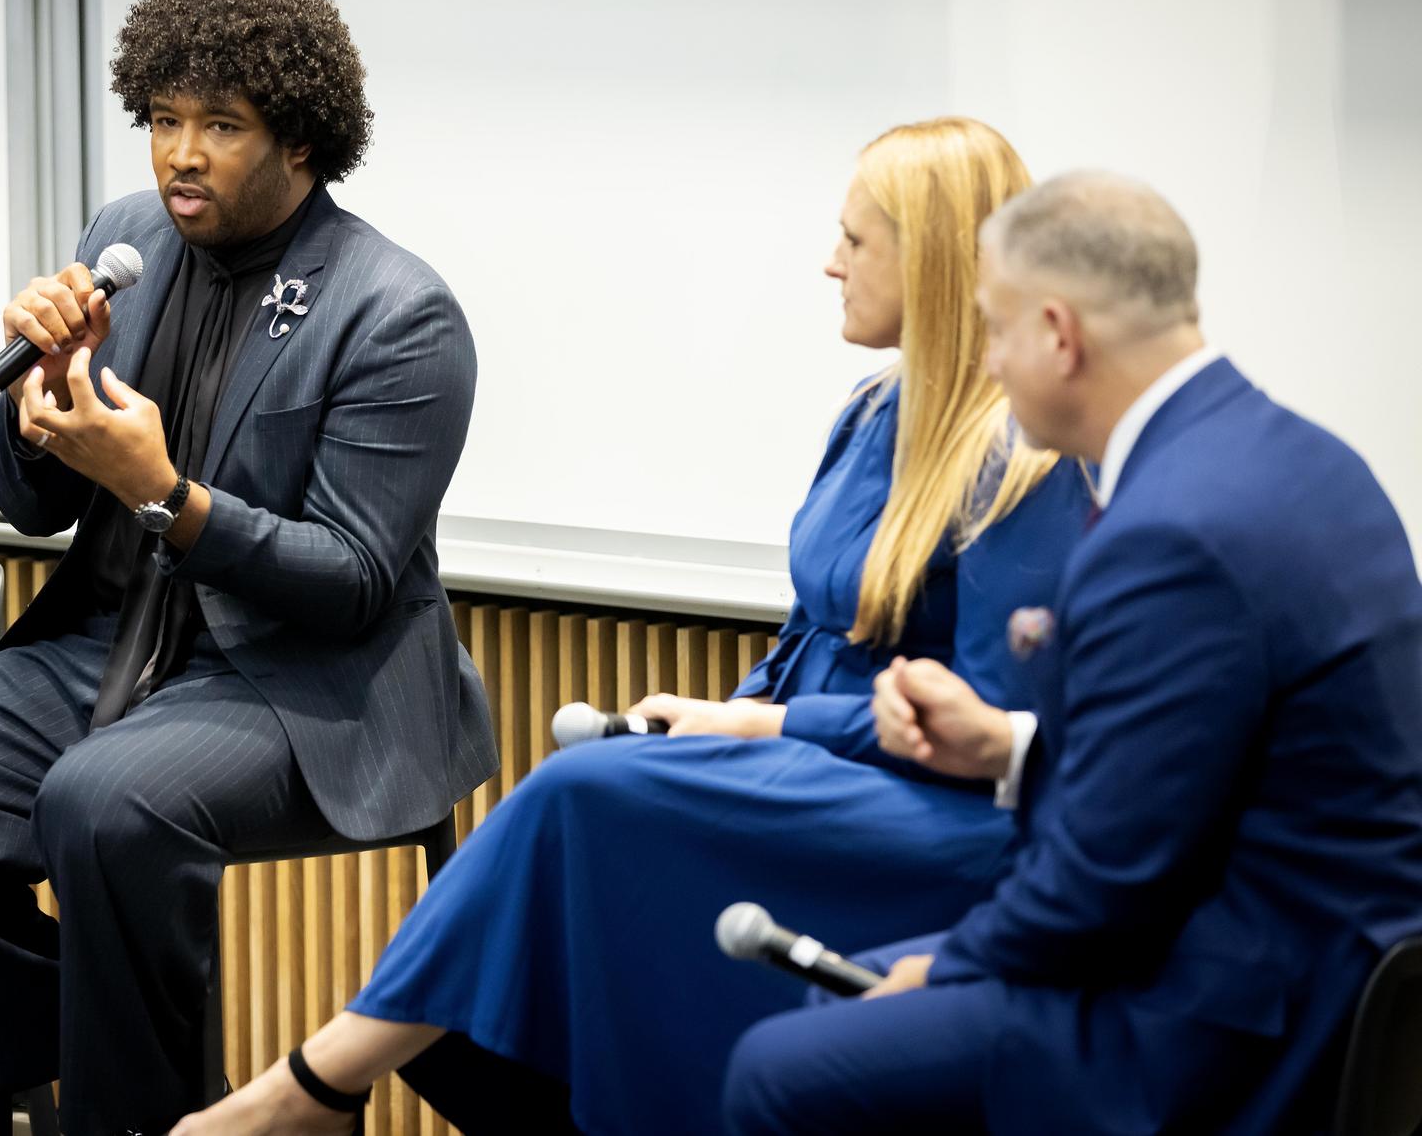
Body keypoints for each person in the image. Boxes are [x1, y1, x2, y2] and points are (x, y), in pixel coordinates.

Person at [173, 117, 1094, 1136]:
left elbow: (983, 726)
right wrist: (721, 712)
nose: (828, 262)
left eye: (854, 240)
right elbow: (805, 636)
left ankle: (311, 1086)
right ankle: (360, 1089)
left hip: (932, 811)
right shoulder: (874, 407)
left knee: (576, 794)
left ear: (924, 260)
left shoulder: (1020, 460)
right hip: (819, 769)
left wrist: (760, 733)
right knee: (593, 819)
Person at [0, 0, 496, 1136]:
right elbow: (31, 506)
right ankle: (137, 1085)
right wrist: (39, 407)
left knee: (103, 800)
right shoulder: (127, 238)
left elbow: (354, 583)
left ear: (304, 143)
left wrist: (167, 495)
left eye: (220, 125)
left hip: (300, 680)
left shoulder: (396, 311)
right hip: (110, 645)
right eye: (163, 120)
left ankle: (126, 1109)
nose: (180, 154)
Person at [724, 171, 1422, 1135]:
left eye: (995, 330)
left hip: (1231, 1010)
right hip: (1331, 963)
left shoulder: (1170, 533)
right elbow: (1207, 762)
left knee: (780, 1069)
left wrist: (957, 964)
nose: (988, 363)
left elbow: (1109, 880)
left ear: (1059, 334)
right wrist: (1011, 750)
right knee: (842, 1006)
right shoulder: (1301, 459)